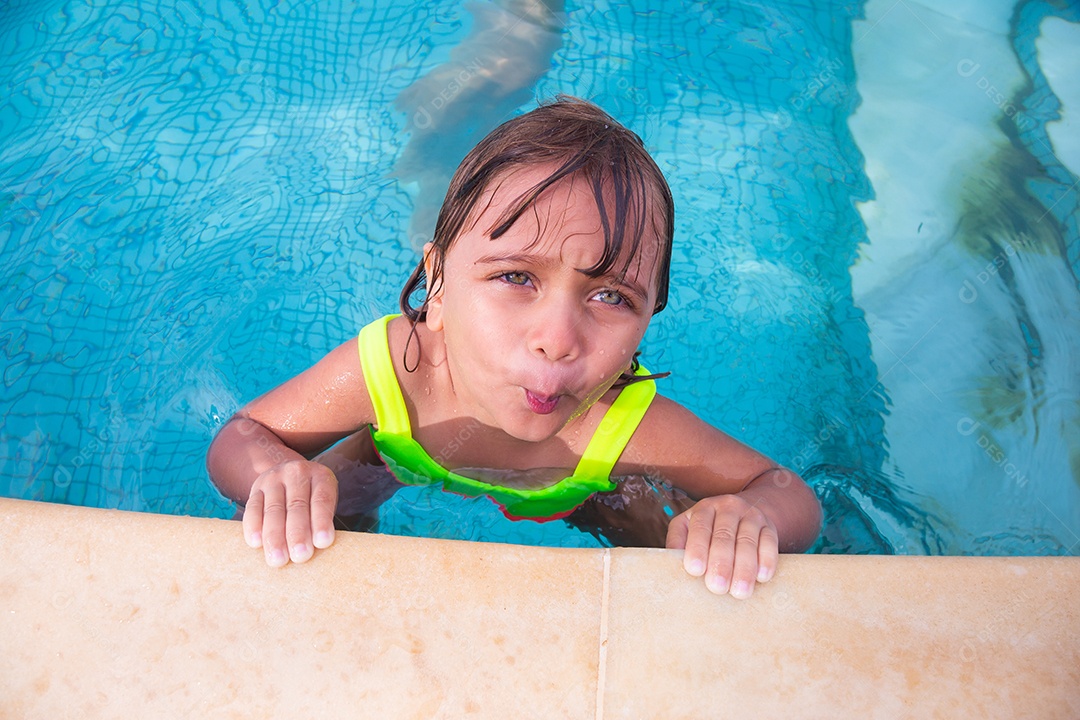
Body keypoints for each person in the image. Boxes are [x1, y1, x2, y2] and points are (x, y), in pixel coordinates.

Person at [206, 96, 822, 599]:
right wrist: (275, 474)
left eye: (611, 297)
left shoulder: (628, 428)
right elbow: (245, 433)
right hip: (392, 464)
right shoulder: (396, 372)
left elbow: (783, 487)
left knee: (685, 565)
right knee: (303, 520)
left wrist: (747, 519)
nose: (557, 340)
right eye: (516, 278)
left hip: (590, 499)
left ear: (647, 321)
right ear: (439, 286)